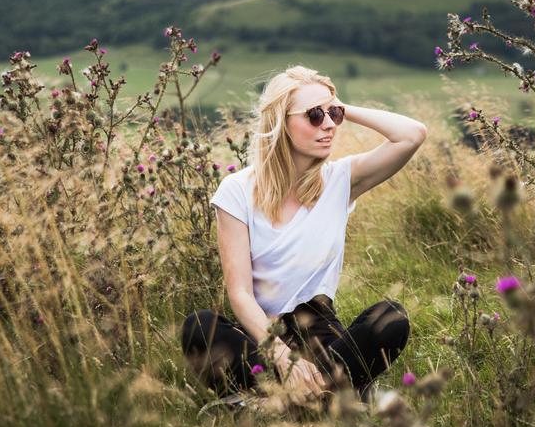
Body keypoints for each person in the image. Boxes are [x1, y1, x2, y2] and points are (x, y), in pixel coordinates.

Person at [181, 65, 427, 408]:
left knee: (392, 318)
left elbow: (412, 135)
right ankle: (328, 397)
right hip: (263, 338)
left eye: (333, 114)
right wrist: (281, 356)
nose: (329, 124)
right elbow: (240, 293)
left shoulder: (341, 180)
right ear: (281, 122)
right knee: (199, 326)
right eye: (314, 115)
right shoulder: (237, 190)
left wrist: (340, 106)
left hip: (322, 337)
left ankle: (277, 402)